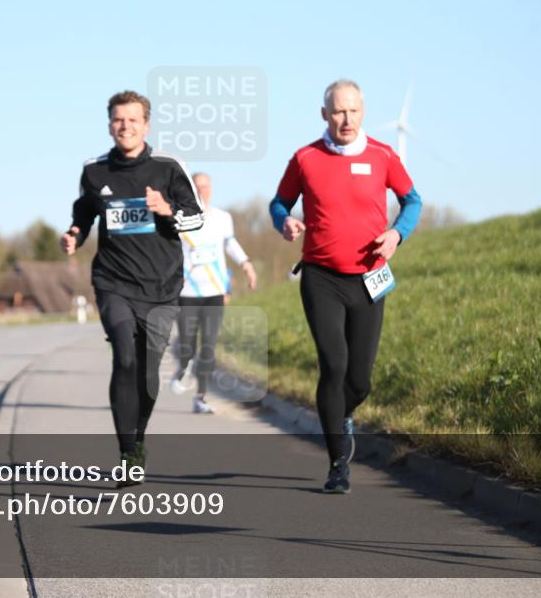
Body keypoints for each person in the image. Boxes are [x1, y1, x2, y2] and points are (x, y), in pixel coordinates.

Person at [269, 79, 422, 494]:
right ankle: (338, 463)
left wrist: (396, 235)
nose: (346, 119)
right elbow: (279, 202)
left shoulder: (383, 155)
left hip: (370, 278)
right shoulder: (305, 158)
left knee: (359, 381)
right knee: (333, 366)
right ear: (324, 114)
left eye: (353, 110)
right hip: (321, 276)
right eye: (338, 111)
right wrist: (285, 220)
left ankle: (342, 414)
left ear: (364, 112)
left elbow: (413, 202)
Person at [61, 90, 204, 485]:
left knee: (147, 371)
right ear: (110, 124)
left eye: (133, 120)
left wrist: (167, 210)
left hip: (161, 285)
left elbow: (197, 220)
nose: (125, 126)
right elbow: (84, 211)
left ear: (146, 125)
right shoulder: (95, 171)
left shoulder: (168, 168)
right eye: (118, 120)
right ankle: (127, 452)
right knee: (124, 356)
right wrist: (75, 233)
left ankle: (138, 437)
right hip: (113, 281)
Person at [170, 173, 258, 414]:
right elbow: (170, 249)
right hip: (187, 292)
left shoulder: (222, 218)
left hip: (214, 290)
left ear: (211, 189)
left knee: (208, 345)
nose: (202, 190)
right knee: (187, 344)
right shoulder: (179, 218)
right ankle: (183, 366)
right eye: (197, 186)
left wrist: (246, 264)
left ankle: (201, 396)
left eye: (206, 186)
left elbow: (230, 244)